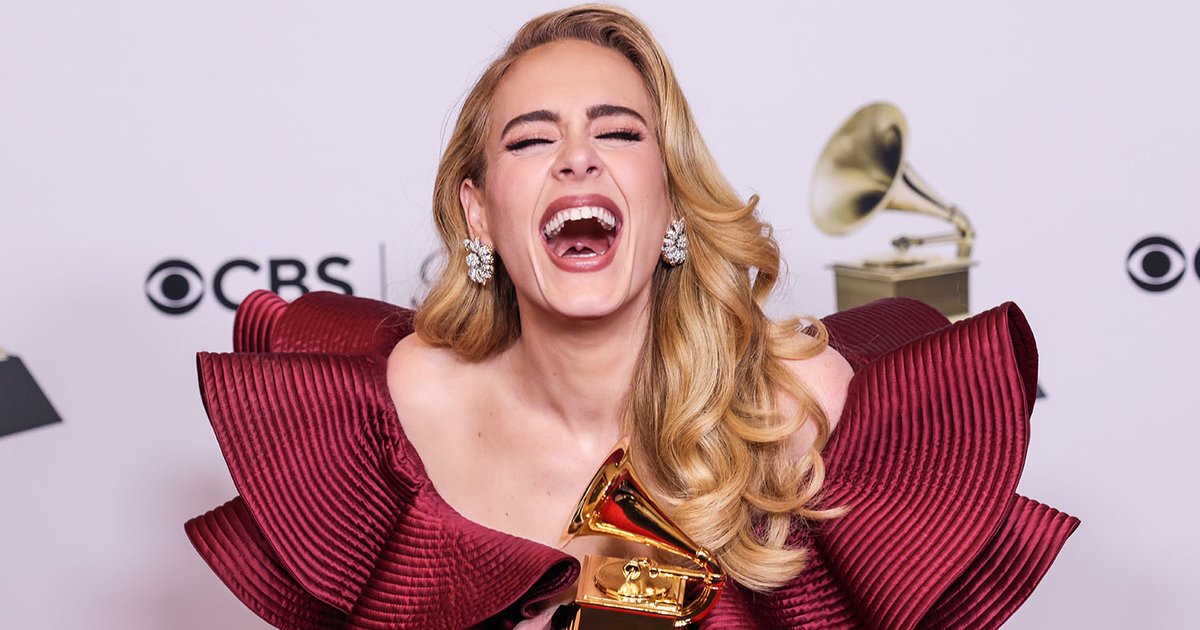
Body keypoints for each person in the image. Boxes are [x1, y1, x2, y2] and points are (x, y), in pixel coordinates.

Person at [186, 5, 1077, 629]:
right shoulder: (396, 413)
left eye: (617, 132)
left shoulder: (796, 407)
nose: (577, 159)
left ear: (673, 201)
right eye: (531, 139)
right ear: (478, 213)